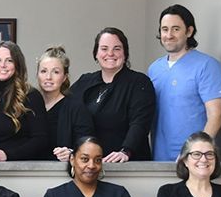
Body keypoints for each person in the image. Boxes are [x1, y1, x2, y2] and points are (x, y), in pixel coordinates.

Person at [59, 28, 155, 162]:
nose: (110, 53)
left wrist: (126, 151)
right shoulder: (85, 82)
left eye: (117, 48)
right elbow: (67, 114)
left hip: (125, 164)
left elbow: (140, 123)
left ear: (125, 53)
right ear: (96, 54)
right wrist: (71, 149)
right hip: (90, 164)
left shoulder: (139, 82)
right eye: (104, 49)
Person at [149, 5, 221, 161]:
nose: (169, 35)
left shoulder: (207, 65)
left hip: (195, 163)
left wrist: (196, 153)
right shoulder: (154, 69)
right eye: (165, 29)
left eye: (176, 29)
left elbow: (215, 115)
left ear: (189, 31)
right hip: (159, 160)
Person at [0, 41, 50, 160]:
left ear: (17, 64)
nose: (3, 65)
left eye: (9, 60)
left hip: (17, 171)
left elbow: (41, 140)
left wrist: (7, 155)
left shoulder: (31, 96)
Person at [36, 46, 94, 162]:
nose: (48, 77)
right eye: (43, 71)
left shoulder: (76, 108)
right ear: (37, 74)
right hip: (29, 173)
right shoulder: (29, 105)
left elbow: (88, 146)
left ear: (64, 78)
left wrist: (72, 153)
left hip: (62, 173)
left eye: (56, 72)